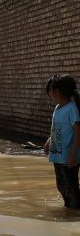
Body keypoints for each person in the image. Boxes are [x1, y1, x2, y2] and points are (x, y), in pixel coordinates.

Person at [44, 74, 80, 209]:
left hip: (68, 157)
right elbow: (56, 128)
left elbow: (78, 132)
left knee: (71, 187)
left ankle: (74, 211)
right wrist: (49, 141)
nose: (49, 95)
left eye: (50, 91)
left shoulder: (71, 109)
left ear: (57, 91)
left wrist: (73, 154)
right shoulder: (58, 108)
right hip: (58, 155)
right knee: (61, 186)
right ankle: (69, 207)